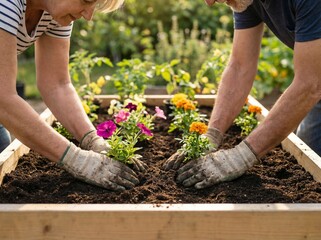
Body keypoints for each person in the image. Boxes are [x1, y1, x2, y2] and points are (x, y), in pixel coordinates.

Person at [163, 0, 321, 189]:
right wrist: (212, 134)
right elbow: (239, 66)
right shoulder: (246, 1)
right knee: (311, 157)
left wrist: (242, 156)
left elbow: (310, 83)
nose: (210, 2)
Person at [0, 0, 145, 191]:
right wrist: (75, 159)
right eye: (86, 1)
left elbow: (57, 84)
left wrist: (92, 140)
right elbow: (3, 98)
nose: (89, 15)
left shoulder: (53, 11)